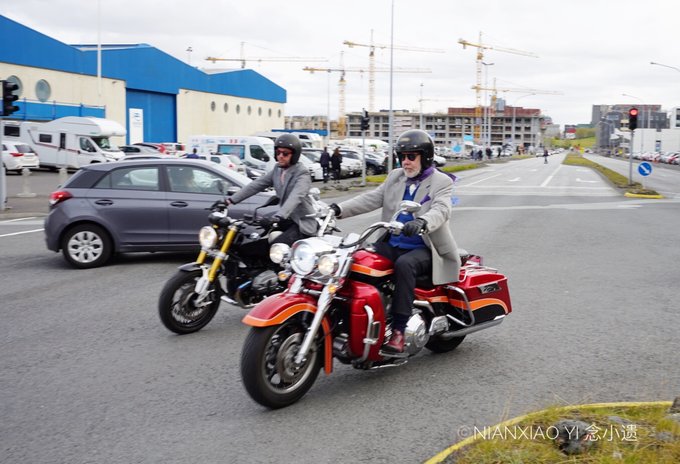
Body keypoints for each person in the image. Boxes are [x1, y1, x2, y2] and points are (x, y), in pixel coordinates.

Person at [329, 129, 461, 353]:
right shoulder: (395, 176)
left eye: (411, 156)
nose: (406, 162)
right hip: (393, 242)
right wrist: (337, 209)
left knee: (404, 265)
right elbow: (371, 198)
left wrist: (422, 222)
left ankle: (398, 331)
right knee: (358, 259)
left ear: (425, 156)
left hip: (426, 247)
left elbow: (441, 209)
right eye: (402, 156)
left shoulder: (441, 181)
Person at [227, 134, 318, 247]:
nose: (280, 156)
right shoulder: (277, 170)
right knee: (251, 243)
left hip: (301, 224)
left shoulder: (302, 173)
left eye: (285, 153)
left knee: (277, 247)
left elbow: (296, 197)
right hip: (286, 221)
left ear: (294, 155)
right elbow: (256, 185)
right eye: (278, 152)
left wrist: (278, 216)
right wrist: (230, 201)